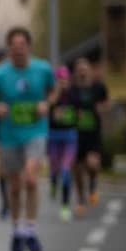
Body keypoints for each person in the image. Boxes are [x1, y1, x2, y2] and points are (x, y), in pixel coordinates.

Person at [0, 26, 56, 251]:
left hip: (36, 131)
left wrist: (47, 104)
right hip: (10, 134)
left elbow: (55, 90)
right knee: (14, 185)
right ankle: (17, 229)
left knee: (30, 178)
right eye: (14, 46)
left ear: (29, 47)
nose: (18, 50)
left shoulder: (42, 69)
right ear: (9, 48)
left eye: (22, 45)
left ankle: (31, 229)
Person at [72, 57, 110, 212]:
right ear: (76, 73)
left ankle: (93, 185)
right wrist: (73, 113)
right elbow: (64, 106)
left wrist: (102, 108)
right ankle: (81, 199)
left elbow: (107, 103)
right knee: (77, 170)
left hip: (93, 133)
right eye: (79, 70)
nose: (82, 72)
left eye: (85, 69)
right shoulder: (72, 90)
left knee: (93, 164)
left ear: (89, 71)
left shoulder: (98, 87)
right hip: (75, 134)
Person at [45, 64, 80, 221]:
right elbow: (46, 108)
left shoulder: (73, 95)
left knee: (66, 171)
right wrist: (57, 93)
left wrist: (71, 115)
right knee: (54, 169)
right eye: (60, 80)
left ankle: (65, 206)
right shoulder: (51, 95)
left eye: (65, 80)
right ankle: (53, 182)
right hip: (53, 136)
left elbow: (80, 112)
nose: (63, 83)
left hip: (69, 136)